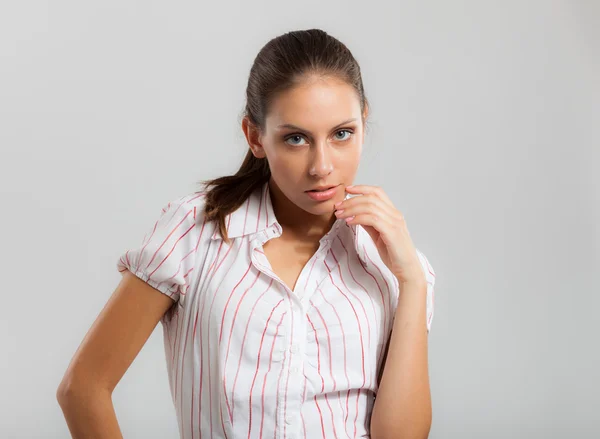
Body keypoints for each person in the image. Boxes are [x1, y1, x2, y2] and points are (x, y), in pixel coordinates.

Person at [57, 28, 436, 439]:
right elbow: (84, 389)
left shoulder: (393, 266)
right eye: (295, 138)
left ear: (363, 122)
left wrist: (412, 281)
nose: (322, 166)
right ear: (255, 137)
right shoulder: (194, 233)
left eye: (341, 134)